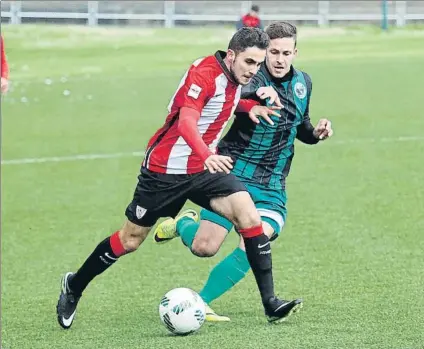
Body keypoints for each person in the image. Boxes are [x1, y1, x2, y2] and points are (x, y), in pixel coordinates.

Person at [56, 27, 300, 330]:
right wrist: (206, 153)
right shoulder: (204, 73)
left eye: (258, 64)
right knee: (129, 240)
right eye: (250, 62)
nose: (255, 70)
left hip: (203, 170)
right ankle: (74, 286)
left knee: (248, 217)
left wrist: (252, 107)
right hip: (164, 171)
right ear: (233, 55)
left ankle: (270, 303)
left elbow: (228, 101)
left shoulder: (236, 76)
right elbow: (186, 121)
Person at [154, 21, 333, 322]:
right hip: (234, 173)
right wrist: (257, 93)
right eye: (273, 52)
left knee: (255, 239)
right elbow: (236, 92)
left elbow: (300, 127)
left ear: (295, 52)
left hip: (273, 184)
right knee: (204, 247)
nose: (279, 59)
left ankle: (201, 302)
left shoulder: (304, 83)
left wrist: (315, 132)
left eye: (286, 53)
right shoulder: (247, 76)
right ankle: (184, 223)